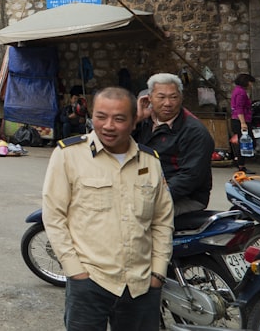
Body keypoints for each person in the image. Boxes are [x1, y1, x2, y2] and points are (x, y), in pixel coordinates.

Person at [42, 86, 174, 330]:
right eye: (101, 117)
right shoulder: (68, 155)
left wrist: (157, 272)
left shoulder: (149, 161)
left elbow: (162, 221)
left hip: (141, 285)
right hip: (90, 281)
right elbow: (54, 216)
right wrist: (75, 271)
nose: (108, 126)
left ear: (134, 121)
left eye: (119, 119)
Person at [135, 72, 215, 215]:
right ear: (150, 98)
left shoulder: (194, 132)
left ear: (181, 98)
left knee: (136, 217)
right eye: (161, 97)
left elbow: (190, 177)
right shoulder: (143, 122)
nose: (168, 103)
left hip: (184, 197)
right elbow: (114, 146)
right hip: (144, 188)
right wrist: (135, 120)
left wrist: (152, 197)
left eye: (173, 97)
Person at [231, 73, 256, 173]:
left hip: (238, 119)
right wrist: (243, 123)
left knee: (243, 142)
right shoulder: (241, 93)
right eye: (250, 82)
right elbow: (239, 108)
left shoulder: (237, 90)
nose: (251, 85)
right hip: (241, 120)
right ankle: (241, 166)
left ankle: (238, 161)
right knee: (246, 142)